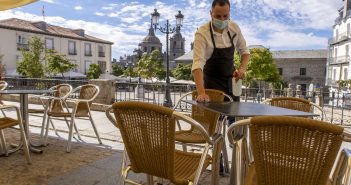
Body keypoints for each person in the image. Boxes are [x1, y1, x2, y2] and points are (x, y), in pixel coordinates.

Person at [191, 0, 250, 175]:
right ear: (211, 14)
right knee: (216, 127)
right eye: (218, 16)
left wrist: (241, 70)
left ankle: (240, 161)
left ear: (229, 14)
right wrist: (201, 92)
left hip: (231, 82)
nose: (222, 19)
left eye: (226, 16)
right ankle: (219, 162)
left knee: (236, 125)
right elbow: (197, 66)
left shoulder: (234, 28)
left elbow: (245, 52)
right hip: (211, 84)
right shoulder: (202, 33)